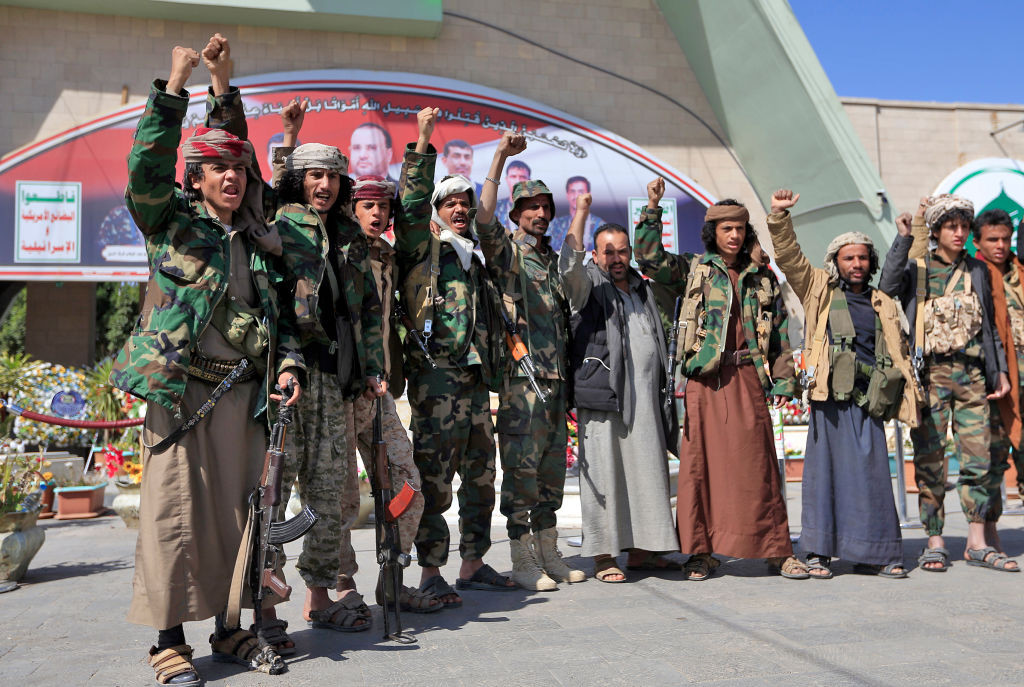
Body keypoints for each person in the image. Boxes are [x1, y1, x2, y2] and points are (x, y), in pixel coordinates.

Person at [110, 41, 304, 685]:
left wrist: (285, 368)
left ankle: (230, 629)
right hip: (181, 397)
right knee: (175, 516)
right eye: (216, 170)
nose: (231, 177)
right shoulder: (170, 224)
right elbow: (146, 166)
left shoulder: (253, 236)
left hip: (243, 402)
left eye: (239, 171)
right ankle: (169, 638)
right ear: (194, 179)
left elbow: (279, 320)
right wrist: (178, 83)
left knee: (238, 517)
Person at [634, 184, 806, 582]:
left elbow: (778, 333)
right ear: (714, 232)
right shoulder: (695, 269)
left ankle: (777, 551)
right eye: (727, 229)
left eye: (740, 229)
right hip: (705, 382)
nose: (734, 236)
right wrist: (654, 207)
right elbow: (648, 258)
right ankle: (700, 553)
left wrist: (783, 382)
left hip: (748, 377)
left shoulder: (762, 278)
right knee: (699, 468)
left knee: (758, 467)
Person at [766, 189, 921, 579]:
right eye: (848, 257)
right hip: (827, 400)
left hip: (868, 401)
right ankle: (818, 552)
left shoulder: (881, 298)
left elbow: (896, 269)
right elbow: (788, 258)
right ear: (836, 262)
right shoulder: (818, 290)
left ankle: (879, 552)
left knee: (870, 479)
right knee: (823, 479)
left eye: (862, 257)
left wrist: (904, 236)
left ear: (870, 263)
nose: (856, 263)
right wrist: (780, 217)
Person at [395, 107, 514, 607]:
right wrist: (423, 141)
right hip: (436, 380)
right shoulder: (424, 248)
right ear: (437, 211)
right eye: (452, 204)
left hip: (472, 381)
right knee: (434, 478)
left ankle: (473, 563)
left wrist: (500, 161)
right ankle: (428, 573)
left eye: (465, 203)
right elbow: (410, 202)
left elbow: (487, 214)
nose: (461, 210)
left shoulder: (475, 257)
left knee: (481, 473)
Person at [477, 131, 586, 590]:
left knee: (550, 474)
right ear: (516, 213)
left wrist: (581, 213)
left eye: (545, 207)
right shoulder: (509, 256)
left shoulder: (551, 260)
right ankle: (522, 560)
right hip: (523, 383)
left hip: (555, 382)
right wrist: (500, 158)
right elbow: (483, 221)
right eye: (530, 207)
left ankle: (548, 552)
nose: (540, 213)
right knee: (521, 473)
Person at [878, 194, 1010, 572]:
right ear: (935, 231)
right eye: (951, 226)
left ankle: (977, 541)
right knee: (930, 459)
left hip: (971, 377)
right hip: (930, 376)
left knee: (978, 458)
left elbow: (988, 326)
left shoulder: (978, 271)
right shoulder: (918, 268)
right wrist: (904, 238)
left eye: (964, 226)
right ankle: (934, 540)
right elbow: (886, 288)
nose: (959, 232)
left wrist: (997, 372)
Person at [559, 180, 679, 583]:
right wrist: (580, 212)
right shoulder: (588, 285)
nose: (616, 257)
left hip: (645, 399)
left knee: (647, 471)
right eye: (607, 251)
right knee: (606, 477)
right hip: (605, 395)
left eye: (622, 250)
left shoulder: (642, 288)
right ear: (596, 254)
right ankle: (603, 555)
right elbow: (569, 267)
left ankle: (646, 551)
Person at [338, 174, 444, 612]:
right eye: (367, 205)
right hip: (342, 391)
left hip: (378, 392)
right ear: (351, 210)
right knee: (340, 496)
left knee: (407, 486)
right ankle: (340, 587)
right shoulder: (336, 251)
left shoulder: (388, 256)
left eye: (383, 206)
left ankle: (393, 578)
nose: (377, 213)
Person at [970, 208, 1022, 571]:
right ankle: (989, 532)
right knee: (992, 458)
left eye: (1005, 239)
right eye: (993, 239)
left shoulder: (1020, 272)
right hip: (997, 380)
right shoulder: (975, 275)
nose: (1001, 246)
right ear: (979, 242)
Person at [548, 176, 607, 253]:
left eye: (581, 192)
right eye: (572, 191)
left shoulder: (600, 226)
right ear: (567, 195)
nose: (576, 196)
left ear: (588, 195)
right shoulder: (556, 225)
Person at [495, 159, 530, 232]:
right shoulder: (495, 208)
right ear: (507, 180)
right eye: (513, 176)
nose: (517, 181)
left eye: (522, 177)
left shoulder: (540, 209)